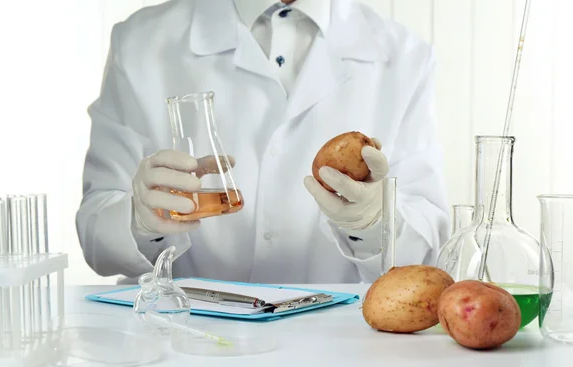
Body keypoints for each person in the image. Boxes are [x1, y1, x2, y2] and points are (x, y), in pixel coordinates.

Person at [76, 0, 450, 284]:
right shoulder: (142, 41)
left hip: (340, 354)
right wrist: (139, 222)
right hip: (184, 346)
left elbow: (426, 254)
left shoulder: (405, 57)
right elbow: (97, 242)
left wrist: (374, 223)